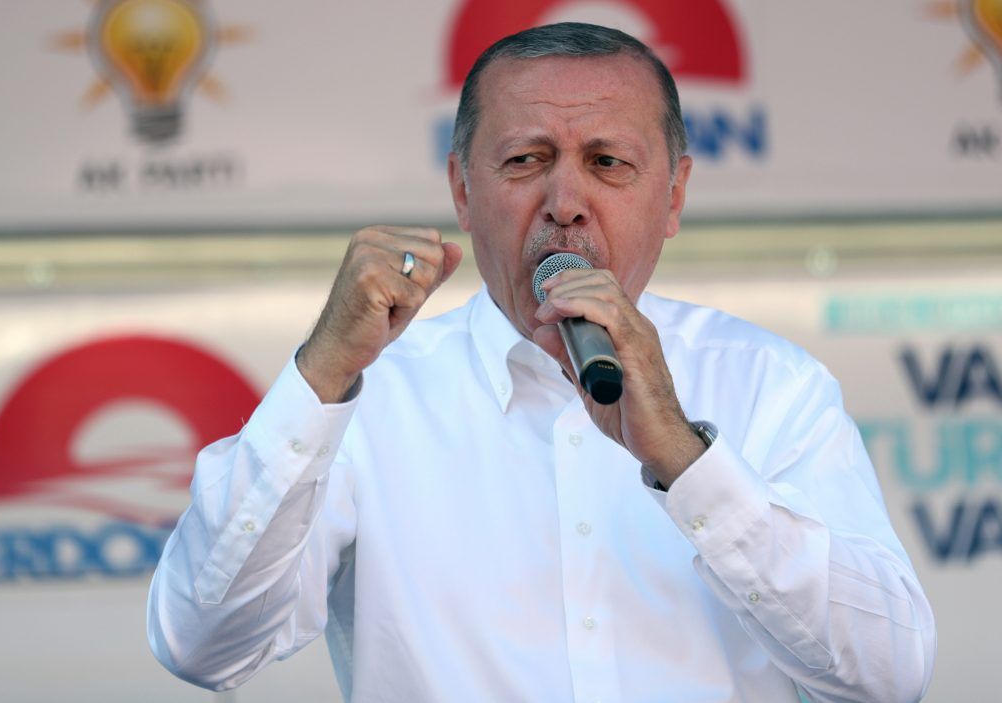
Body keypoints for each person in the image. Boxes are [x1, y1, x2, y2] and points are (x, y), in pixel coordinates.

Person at [147, 22, 935, 702]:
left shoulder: (771, 384)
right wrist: (321, 373)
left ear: (673, 196)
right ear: (462, 191)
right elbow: (201, 644)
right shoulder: (370, 394)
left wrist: (686, 461)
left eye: (608, 162)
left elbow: (889, 674)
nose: (565, 202)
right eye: (526, 160)